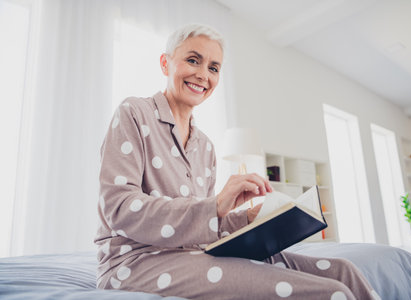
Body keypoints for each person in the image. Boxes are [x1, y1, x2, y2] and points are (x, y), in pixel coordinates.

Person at [95, 23, 380, 300]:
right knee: (332, 294)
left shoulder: (205, 146)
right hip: (133, 262)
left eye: (213, 68)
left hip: (190, 254)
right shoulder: (134, 112)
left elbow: (198, 228)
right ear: (165, 63)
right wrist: (215, 205)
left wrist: (249, 219)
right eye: (193, 60)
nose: (203, 74)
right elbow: (119, 209)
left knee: (345, 273)